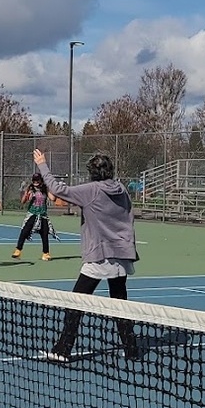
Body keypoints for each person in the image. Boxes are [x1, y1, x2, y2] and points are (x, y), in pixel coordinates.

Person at [33, 148, 138, 363]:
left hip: (100, 256)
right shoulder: (123, 189)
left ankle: (63, 349)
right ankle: (131, 349)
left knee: (75, 303)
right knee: (120, 303)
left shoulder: (92, 190)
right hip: (122, 255)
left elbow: (56, 188)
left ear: (92, 173)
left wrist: (42, 164)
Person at [13, 172, 52, 261]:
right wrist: (27, 193)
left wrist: (49, 189)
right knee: (25, 231)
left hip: (42, 215)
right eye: (34, 180)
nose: (36, 182)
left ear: (41, 180)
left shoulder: (45, 189)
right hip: (32, 214)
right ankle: (18, 250)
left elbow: (53, 198)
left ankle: (46, 253)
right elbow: (23, 202)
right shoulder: (30, 189)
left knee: (44, 233)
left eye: (37, 180)